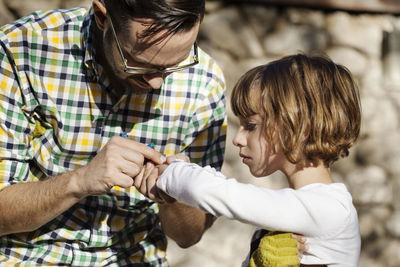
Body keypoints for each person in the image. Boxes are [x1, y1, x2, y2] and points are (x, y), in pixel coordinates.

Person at [0, 0, 227, 265]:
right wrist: (79, 182)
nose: (156, 83)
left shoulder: (204, 84)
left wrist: (175, 195)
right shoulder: (20, 51)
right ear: (101, 17)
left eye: (177, 64)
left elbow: (190, 235)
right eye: (139, 64)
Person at [155, 54, 362, 266]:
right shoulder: (289, 214)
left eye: (251, 126)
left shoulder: (329, 209)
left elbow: (218, 193)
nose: (237, 139)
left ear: (301, 130)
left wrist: (170, 171)